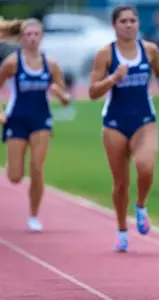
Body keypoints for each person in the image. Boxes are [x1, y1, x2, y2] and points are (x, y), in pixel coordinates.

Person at [88, 5, 159, 252]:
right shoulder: (105, 54)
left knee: (145, 167)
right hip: (114, 122)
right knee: (120, 182)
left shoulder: (150, 50)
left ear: (138, 23)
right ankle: (121, 230)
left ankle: (141, 206)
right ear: (114, 25)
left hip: (144, 119)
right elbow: (93, 92)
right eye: (123, 21)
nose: (128, 25)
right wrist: (114, 78)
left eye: (132, 20)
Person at [0, 18, 70, 232]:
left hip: (41, 120)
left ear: (41, 37)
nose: (31, 39)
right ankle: (14, 171)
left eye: (35, 35)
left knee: (37, 169)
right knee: (14, 176)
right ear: (22, 38)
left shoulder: (51, 64)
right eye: (28, 35)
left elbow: (65, 97)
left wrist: (61, 95)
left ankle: (33, 215)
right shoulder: (12, 62)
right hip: (17, 118)